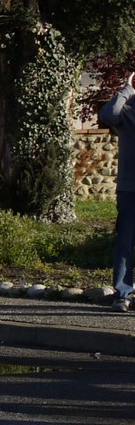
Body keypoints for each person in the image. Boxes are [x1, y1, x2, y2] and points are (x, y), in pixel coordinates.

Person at [97, 73, 135, 311]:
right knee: (125, 244)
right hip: (130, 188)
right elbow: (107, 115)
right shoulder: (127, 110)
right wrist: (126, 89)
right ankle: (123, 293)